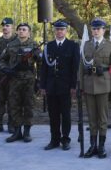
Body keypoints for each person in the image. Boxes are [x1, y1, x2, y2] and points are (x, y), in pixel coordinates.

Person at [79, 18, 111, 158]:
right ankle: (93, 146)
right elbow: (81, 67)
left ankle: (101, 147)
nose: (96, 31)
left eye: (98, 28)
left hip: (104, 85)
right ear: (91, 30)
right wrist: (80, 85)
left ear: (104, 30)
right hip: (89, 85)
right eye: (94, 28)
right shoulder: (86, 45)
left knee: (102, 118)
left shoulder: (110, 45)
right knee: (91, 118)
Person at [40, 19, 80, 151]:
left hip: (66, 86)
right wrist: (42, 86)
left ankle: (65, 139)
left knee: (66, 114)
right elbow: (44, 68)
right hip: (51, 86)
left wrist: (73, 86)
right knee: (53, 115)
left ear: (66, 31)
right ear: (54, 31)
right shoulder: (48, 46)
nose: (59, 31)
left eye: (62, 29)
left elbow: (75, 68)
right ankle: (54, 140)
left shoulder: (73, 46)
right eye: (57, 29)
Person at [0, 23, 41, 143]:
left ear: (29, 32)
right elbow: (2, 60)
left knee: (29, 106)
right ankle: (17, 131)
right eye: (20, 30)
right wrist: (6, 70)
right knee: (14, 105)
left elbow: (40, 63)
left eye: (24, 30)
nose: (22, 31)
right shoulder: (11, 45)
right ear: (17, 32)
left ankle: (27, 132)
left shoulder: (34, 45)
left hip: (29, 80)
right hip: (14, 80)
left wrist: (39, 79)